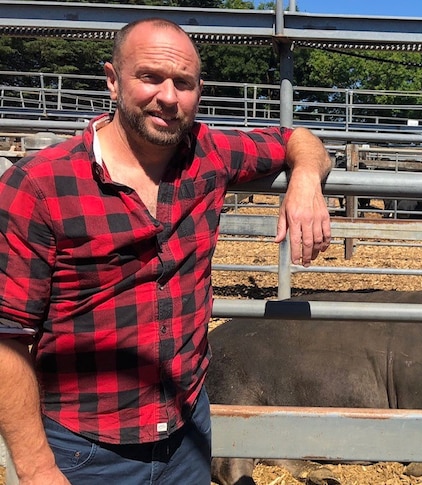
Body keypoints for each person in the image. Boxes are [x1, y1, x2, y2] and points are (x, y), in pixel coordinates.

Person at [0, 18, 332, 485]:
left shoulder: (208, 153)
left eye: (184, 83)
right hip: (85, 448)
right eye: (150, 77)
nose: (169, 97)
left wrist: (303, 180)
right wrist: (35, 468)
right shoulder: (38, 184)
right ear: (112, 80)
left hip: (186, 431)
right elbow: (7, 334)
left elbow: (298, 140)